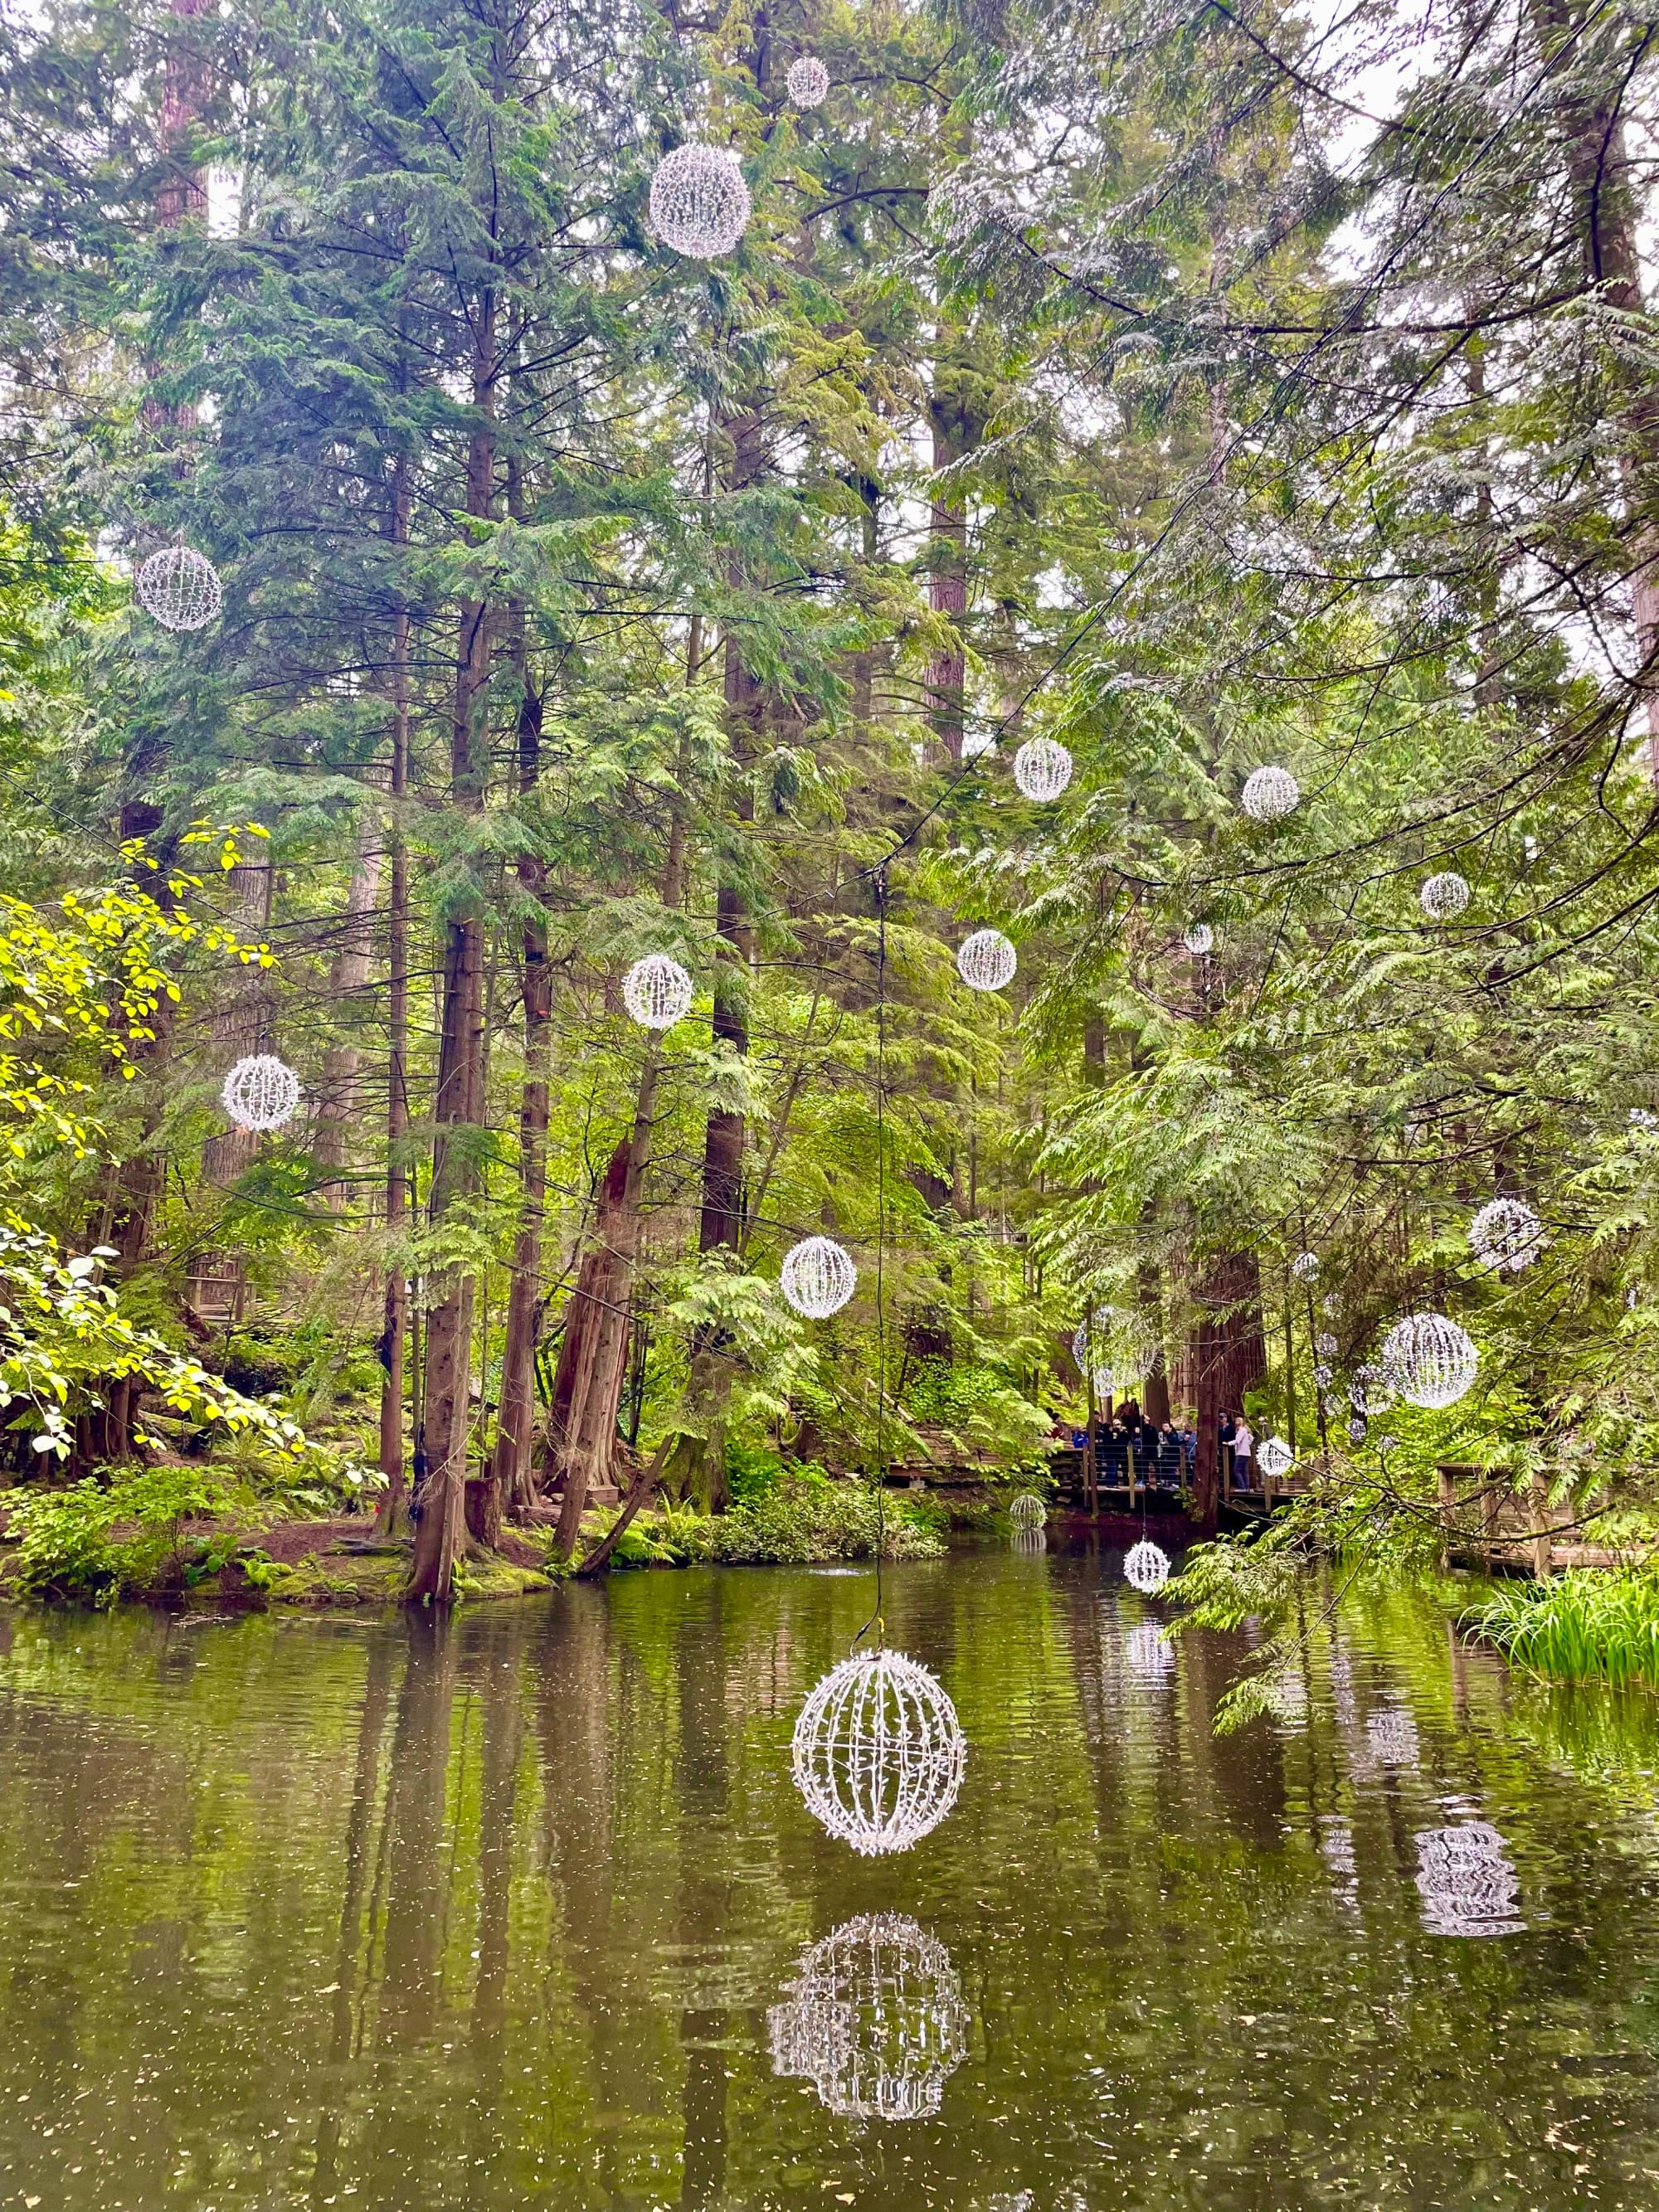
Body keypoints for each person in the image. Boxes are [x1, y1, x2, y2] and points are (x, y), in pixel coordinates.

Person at [1233, 1415, 1255, 1494]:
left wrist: (1228, 1443)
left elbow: (1237, 1441)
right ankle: (1246, 1487)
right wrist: (1247, 1444)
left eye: (1237, 1421)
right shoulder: (1245, 1430)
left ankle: (1242, 1487)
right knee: (1244, 1471)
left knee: (1236, 1471)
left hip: (1241, 1453)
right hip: (1246, 1453)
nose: (1235, 1422)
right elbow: (1251, 1438)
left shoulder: (1242, 1430)